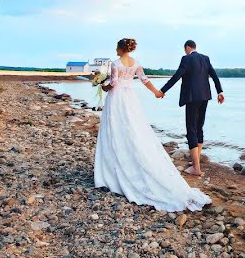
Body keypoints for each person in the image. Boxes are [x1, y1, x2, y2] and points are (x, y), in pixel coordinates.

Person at [93, 38, 210, 211]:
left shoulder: (115, 64)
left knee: (114, 130)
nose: (116, 50)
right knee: (133, 129)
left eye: (117, 47)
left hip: (117, 99)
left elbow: (114, 83)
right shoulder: (136, 63)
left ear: (120, 48)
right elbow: (144, 79)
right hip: (130, 99)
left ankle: (111, 171)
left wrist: (101, 85)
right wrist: (157, 92)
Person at [158, 40, 224, 176]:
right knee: (199, 127)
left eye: (185, 50)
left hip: (192, 98)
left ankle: (196, 168)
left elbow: (177, 76)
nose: (185, 52)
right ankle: (197, 161)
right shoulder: (205, 58)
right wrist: (220, 92)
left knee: (191, 129)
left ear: (187, 48)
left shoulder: (186, 58)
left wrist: (163, 90)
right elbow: (214, 75)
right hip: (205, 96)